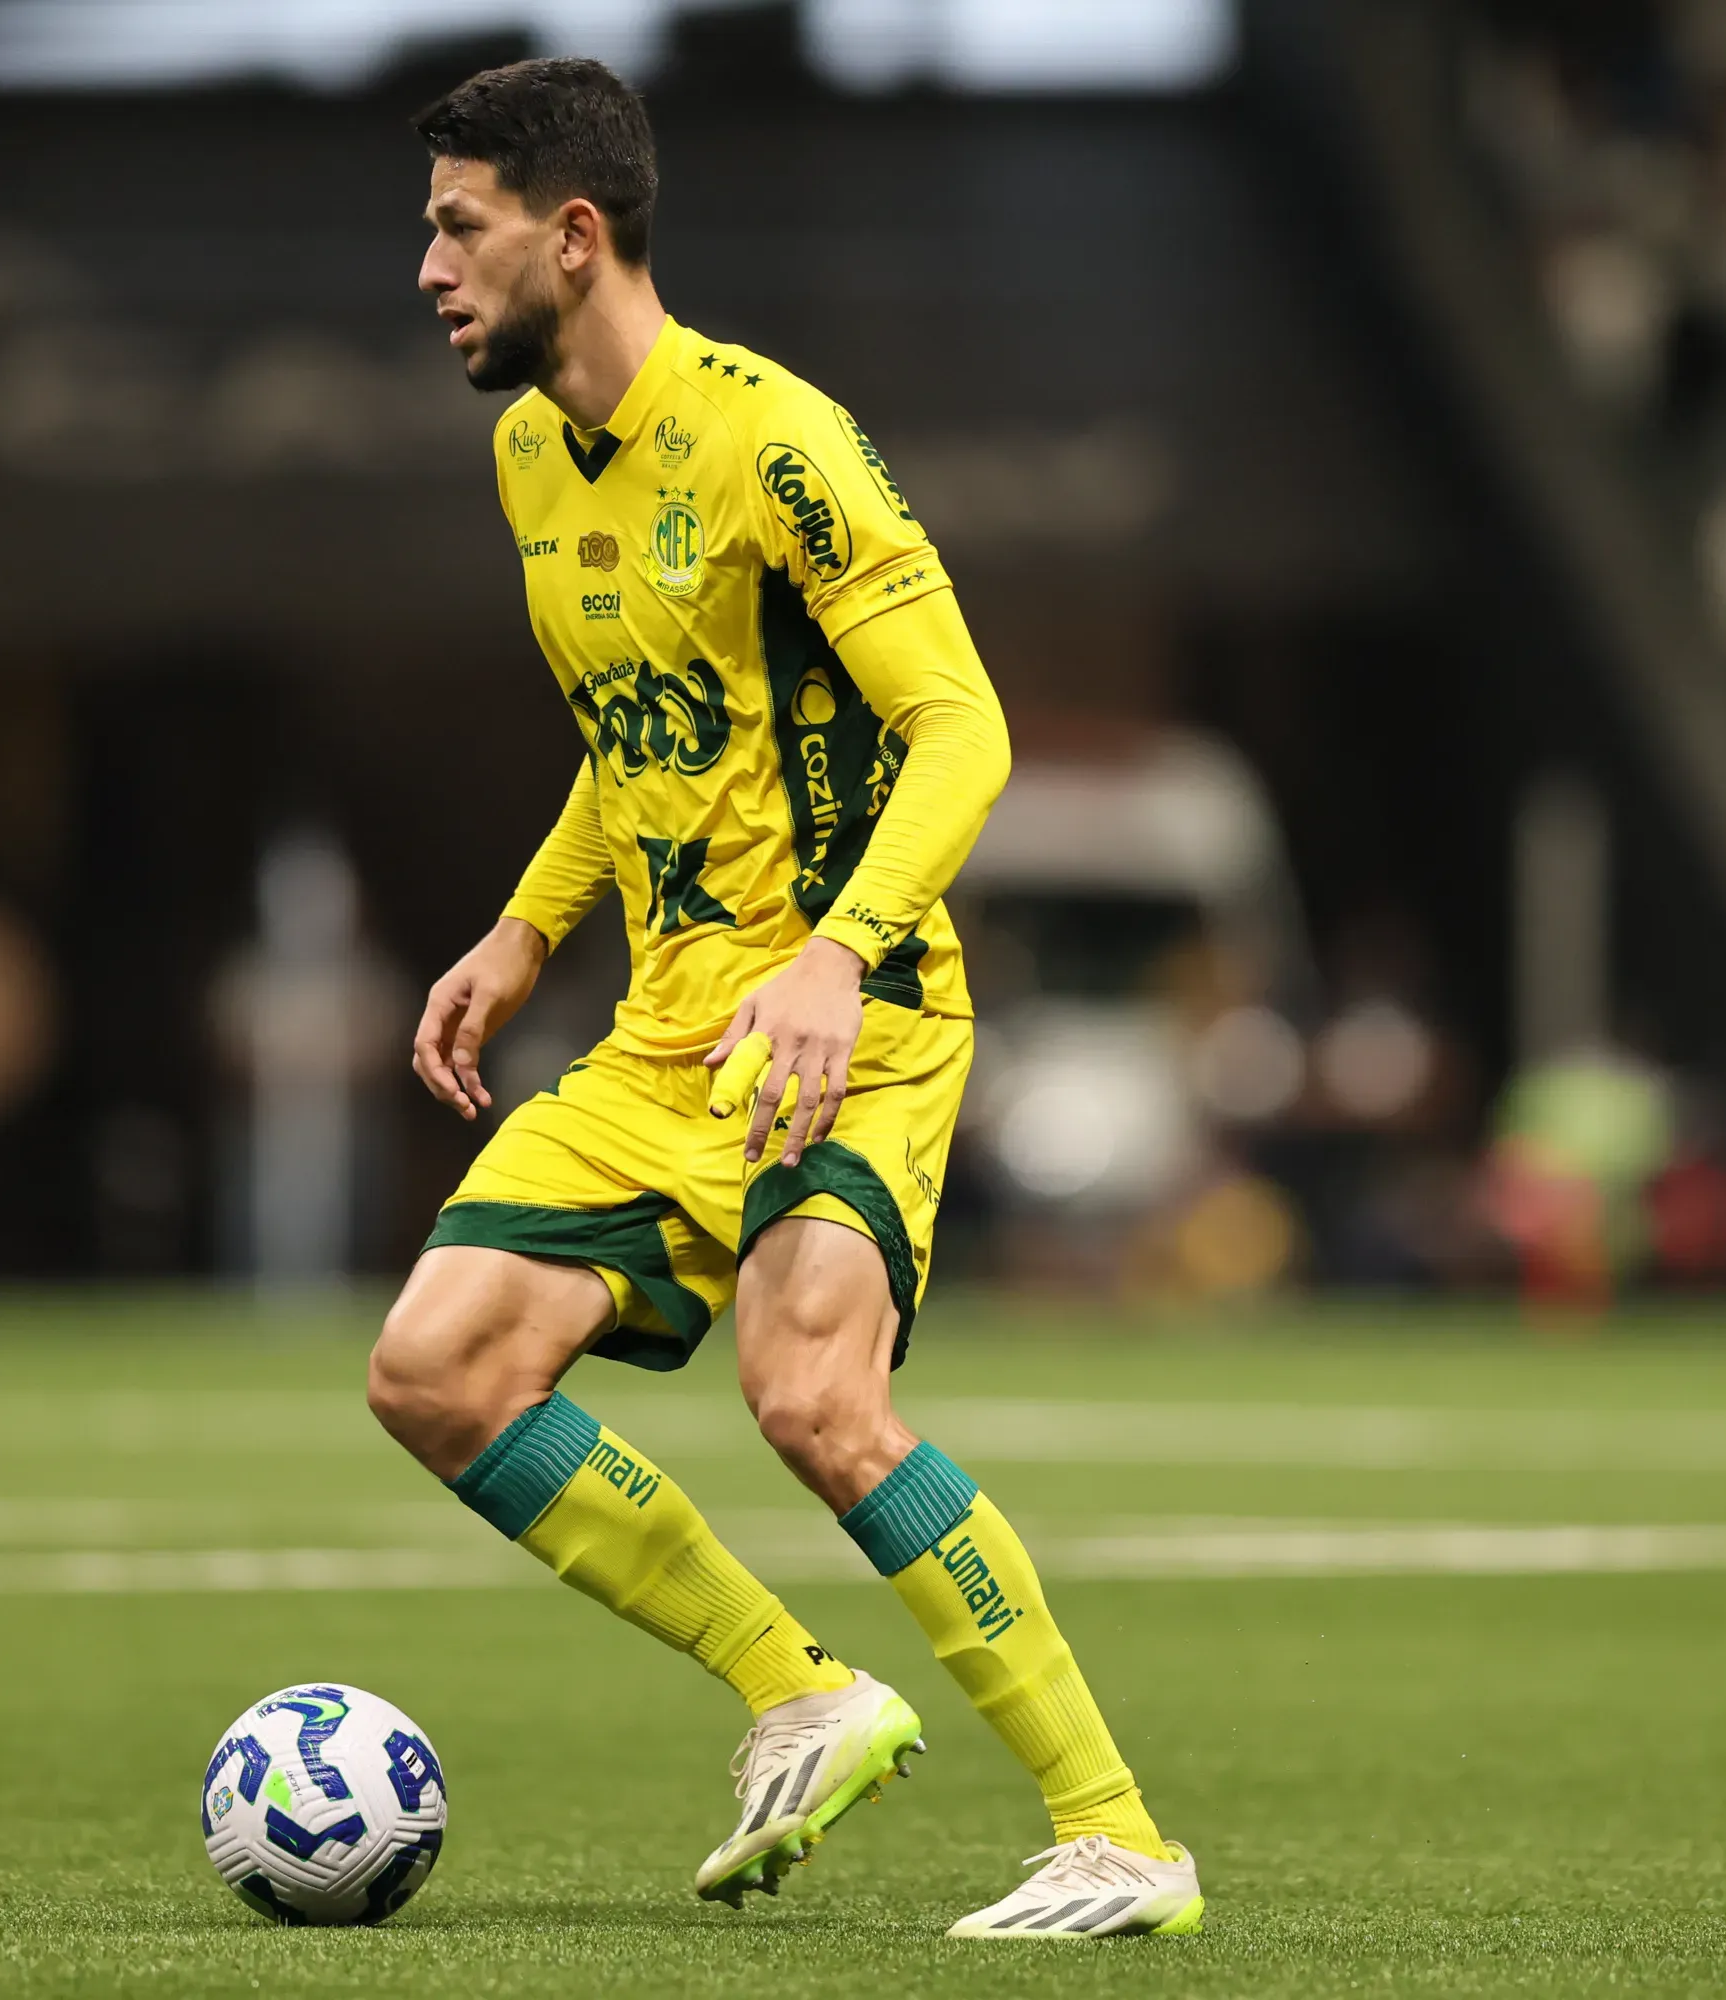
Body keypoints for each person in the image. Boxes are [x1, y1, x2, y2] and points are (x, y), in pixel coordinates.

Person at [366, 58, 1200, 1940]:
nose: (426, 264)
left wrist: (837, 952)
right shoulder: (525, 457)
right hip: (668, 1032)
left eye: (456, 222)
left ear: (572, 237)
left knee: (813, 1396)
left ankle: (1119, 1838)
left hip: (862, 1011)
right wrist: (523, 930)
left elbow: (960, 725)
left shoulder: (777, 443)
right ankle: (802, 1693)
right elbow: (641, 736)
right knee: (434, 1367)